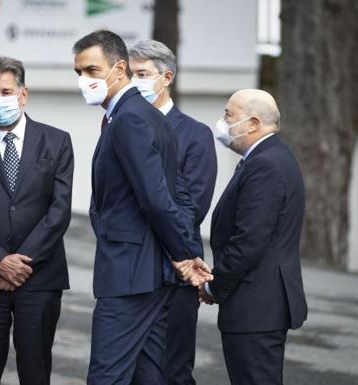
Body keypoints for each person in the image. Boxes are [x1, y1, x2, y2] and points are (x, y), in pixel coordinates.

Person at [72, 30, 212, 385]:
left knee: (107, 375)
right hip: (151, 273)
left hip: (131, 275)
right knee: (150, 375)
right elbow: (175, 195)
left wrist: (183, 253)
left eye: (91, 70)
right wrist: (186, 252)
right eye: (78, 73)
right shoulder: (146, 116)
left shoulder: (131, 118)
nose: (84, 80)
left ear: (119, 69)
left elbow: (157, 198)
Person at [0, 56, 74, 385]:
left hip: (39, 278)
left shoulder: (56, 141)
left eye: (5, 91)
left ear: (23, 95)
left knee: (36, 372)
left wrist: (21, 265)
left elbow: (59, 211)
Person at [200, 89, 307, 385]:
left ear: (253, 123)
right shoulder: (269, 157)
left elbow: (249, 241)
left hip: (256, 305)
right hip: (260, 304)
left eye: (229, 115)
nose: (222, 121)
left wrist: (213, 286)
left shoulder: (265, 164)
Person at [129, 39, 218, 385]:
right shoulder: (118, 125)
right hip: (132, 270)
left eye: (142, 74)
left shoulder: (195, 135)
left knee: (174, 370)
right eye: (131, 73)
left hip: (176, 270)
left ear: (166, 77)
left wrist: (170, 251)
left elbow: (192, 206)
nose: (135, 81)